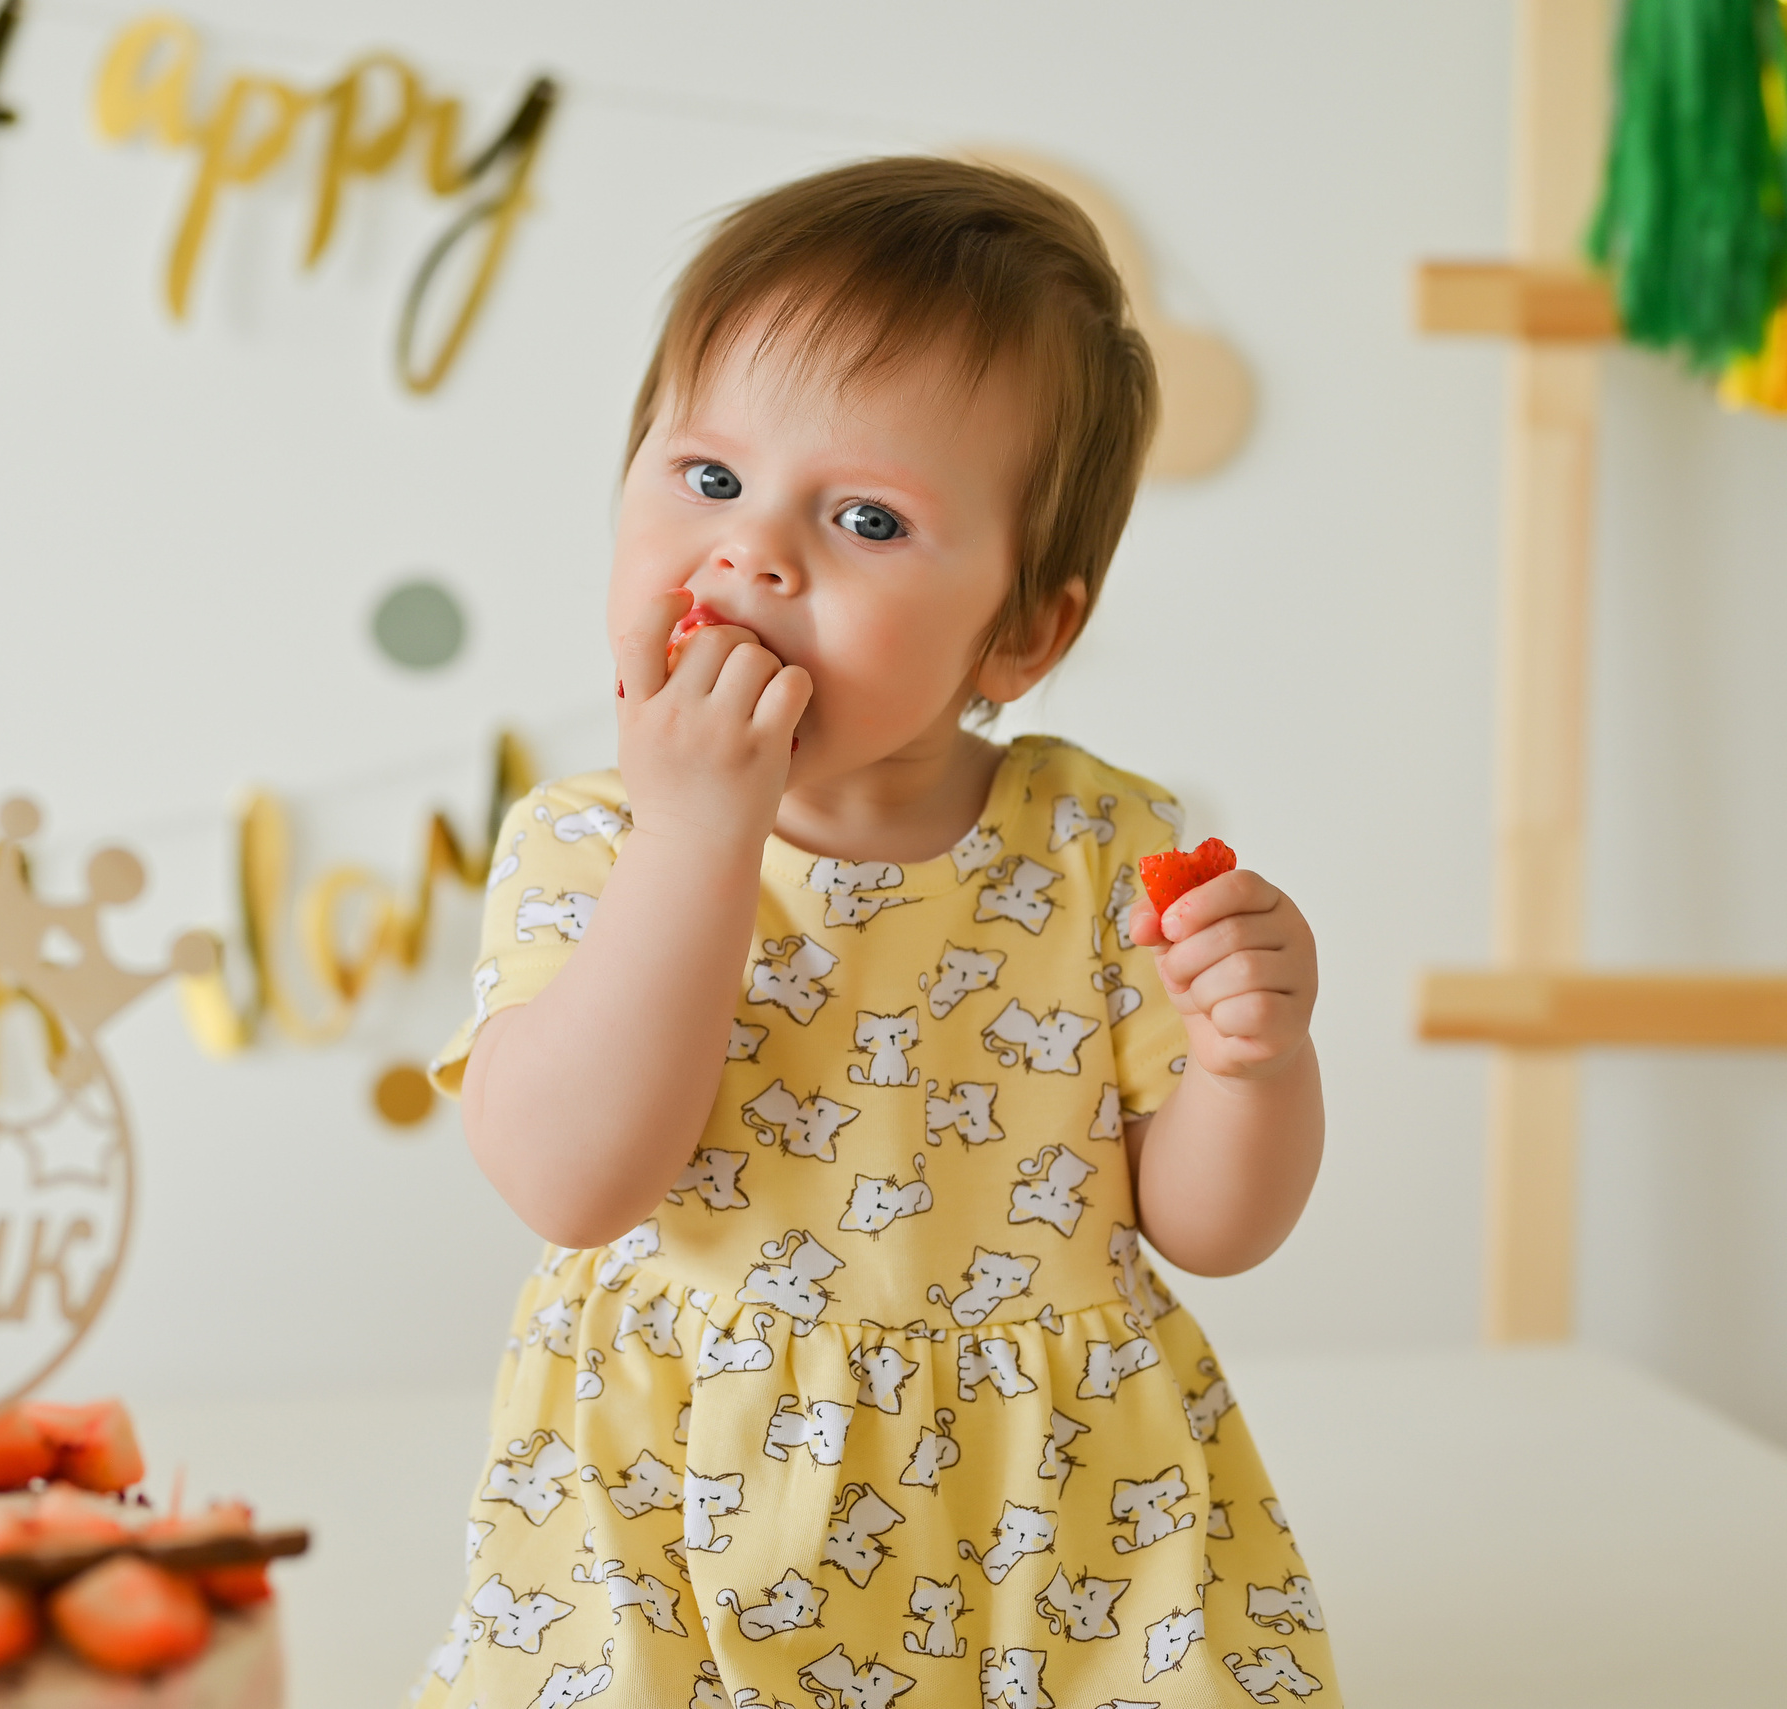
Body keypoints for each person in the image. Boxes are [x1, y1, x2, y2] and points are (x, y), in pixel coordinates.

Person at [415, 158, 1339, 1706]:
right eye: (708, 478)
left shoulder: (1102, 840)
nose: (755, 553)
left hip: (1045, 1523)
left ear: (1026, 629)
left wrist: (1255, 1059)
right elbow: (575, 1179)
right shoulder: (591, 837)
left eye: (865, 517)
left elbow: (1212, 1227)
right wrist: (701, 835)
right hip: (686, 1508)